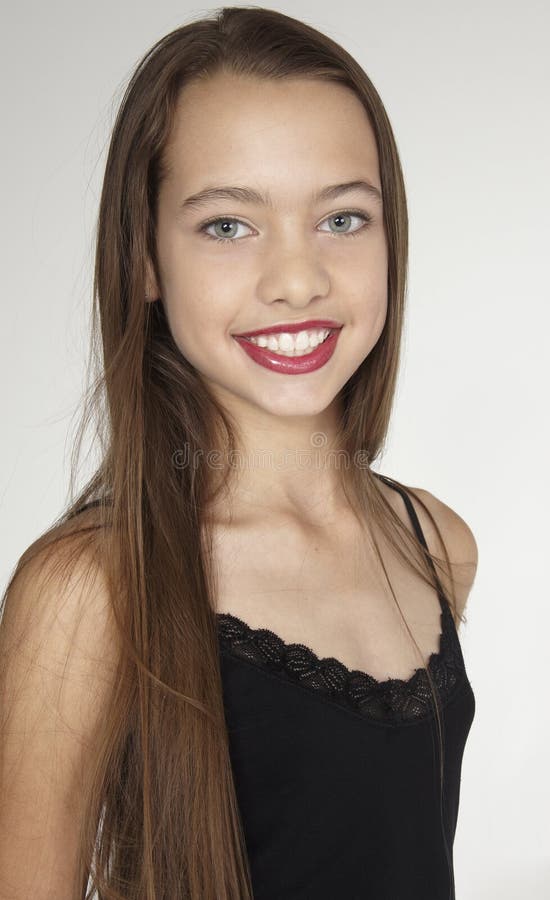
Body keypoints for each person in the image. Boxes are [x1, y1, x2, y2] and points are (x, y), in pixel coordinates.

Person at [0, 7, 478, 899]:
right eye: (228, 225)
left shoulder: (436, 544)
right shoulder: (90, 589)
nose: (297, 280)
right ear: (144, 258)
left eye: (342, 218)